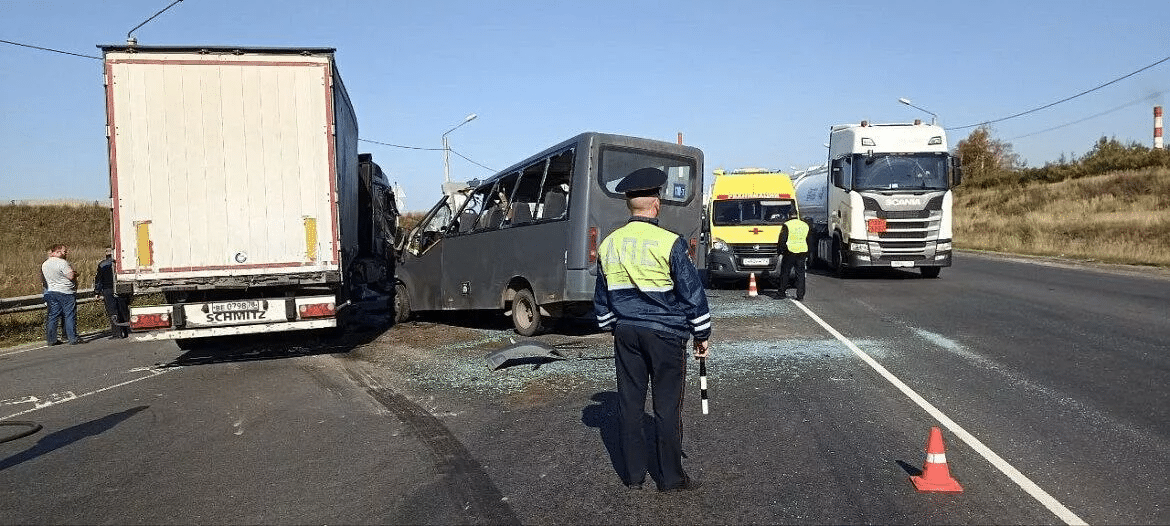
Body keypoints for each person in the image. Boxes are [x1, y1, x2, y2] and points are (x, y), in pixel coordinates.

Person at [593, 167, 711, 492]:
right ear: (656, 204)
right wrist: (702, 335)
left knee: (630, 405)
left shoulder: (609, 244)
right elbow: (692, 294)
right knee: (666, 406)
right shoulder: (670, 243)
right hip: (665, 335)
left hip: (626, 333)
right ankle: (671, 478)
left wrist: (611, 327)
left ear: (629, 205)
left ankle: (632, 476)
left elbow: (601, 298)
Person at [42, 243, 81, 345]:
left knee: (53, 316)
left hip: (52, 291)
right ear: (58, 252)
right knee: (69, 315)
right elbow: (71, 276)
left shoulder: (45, 264)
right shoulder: (62, 263)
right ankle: (72, 338)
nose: (66, 253)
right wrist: (75, 273)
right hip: (66, 292)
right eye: (64, 251)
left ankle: (51, 339)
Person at [94, 248, 130, 339]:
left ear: (106, 253)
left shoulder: (102, 264)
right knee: (123, 309)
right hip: (121, 288)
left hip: (108, 289)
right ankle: (127, 331)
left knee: (113, 311)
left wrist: (97, 291)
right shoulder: (121, 262)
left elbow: (98, 279)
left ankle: (117, 333)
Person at [776, 210, 810, 301]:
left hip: (790, 251)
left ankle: (781, 293)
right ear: (797, 215)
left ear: (789, 215)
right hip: (802, 251)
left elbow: (782, 239)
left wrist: (780, 251)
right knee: (800, 274)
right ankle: (800, 295)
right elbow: (809, 239)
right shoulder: (804, 225)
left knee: (785, 272)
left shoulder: (787, 225)